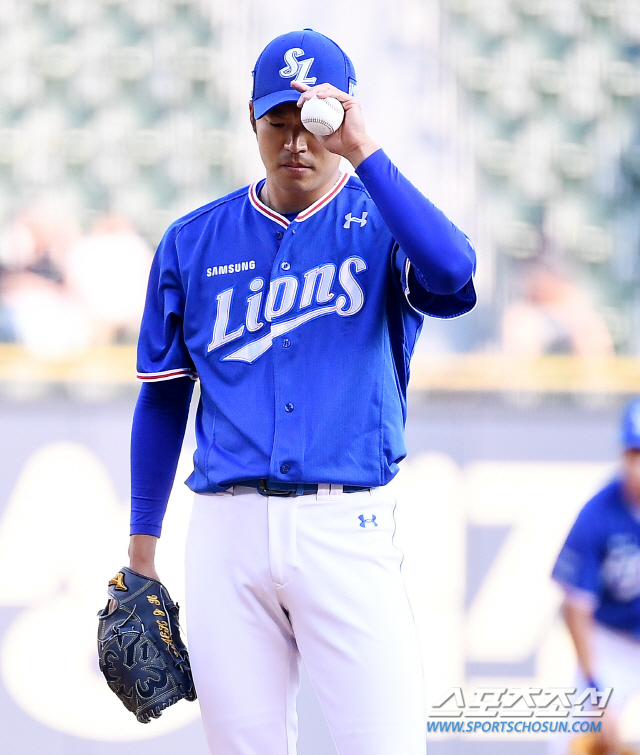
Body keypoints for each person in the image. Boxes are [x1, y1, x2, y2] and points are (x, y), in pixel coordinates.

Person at [128, 29, 476, 755]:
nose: (295, 142)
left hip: (346, 523)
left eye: (312, 122)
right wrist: (142, 550)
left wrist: (363, 149)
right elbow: (162, 399)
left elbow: (451, 272)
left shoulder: (384, 225)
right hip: (227, 532)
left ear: (345, 116)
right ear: (252, 121)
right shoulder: (193, 241)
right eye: (277, 122)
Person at [552, 398, 640, 755]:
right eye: (633, 453)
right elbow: (575, 608)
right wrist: (597, 691)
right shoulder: (599, 512)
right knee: (574, 739)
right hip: (612, 643)